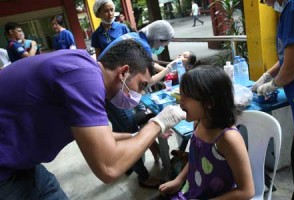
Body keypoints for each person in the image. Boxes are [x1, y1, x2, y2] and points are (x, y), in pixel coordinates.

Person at [0, 39, 186, 199]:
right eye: (141, 84)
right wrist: (158, 123)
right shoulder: (85, 80)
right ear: (123, 73)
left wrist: (137, 135)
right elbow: (109, 167)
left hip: (21, 162)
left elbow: (102, 138)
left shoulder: (84, 67)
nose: (141, 93)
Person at [100, 20, 176, 189]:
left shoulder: (135, 38)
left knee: (127, 129)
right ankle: (143, 176)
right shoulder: (142, 45)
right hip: (112, 94)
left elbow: (147, 66)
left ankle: (140, 158)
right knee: (129, 129)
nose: (163, 47)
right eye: (164, 43)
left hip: (109, 90)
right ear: (158, 38)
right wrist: (168, 69)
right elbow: (147, 81)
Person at [159, 66, 255, 199]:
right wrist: (179, 180)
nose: (180, 101)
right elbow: (195, 159)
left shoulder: (228, 138)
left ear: (209, 102)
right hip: (191, 192)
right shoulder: (198, 122)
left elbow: (247, 191)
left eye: (186, 97)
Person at [251, 0, 294, 199]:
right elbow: (287, 57)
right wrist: (267, 76)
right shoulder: (290, 9)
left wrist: (273, 85)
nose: (265, 3)